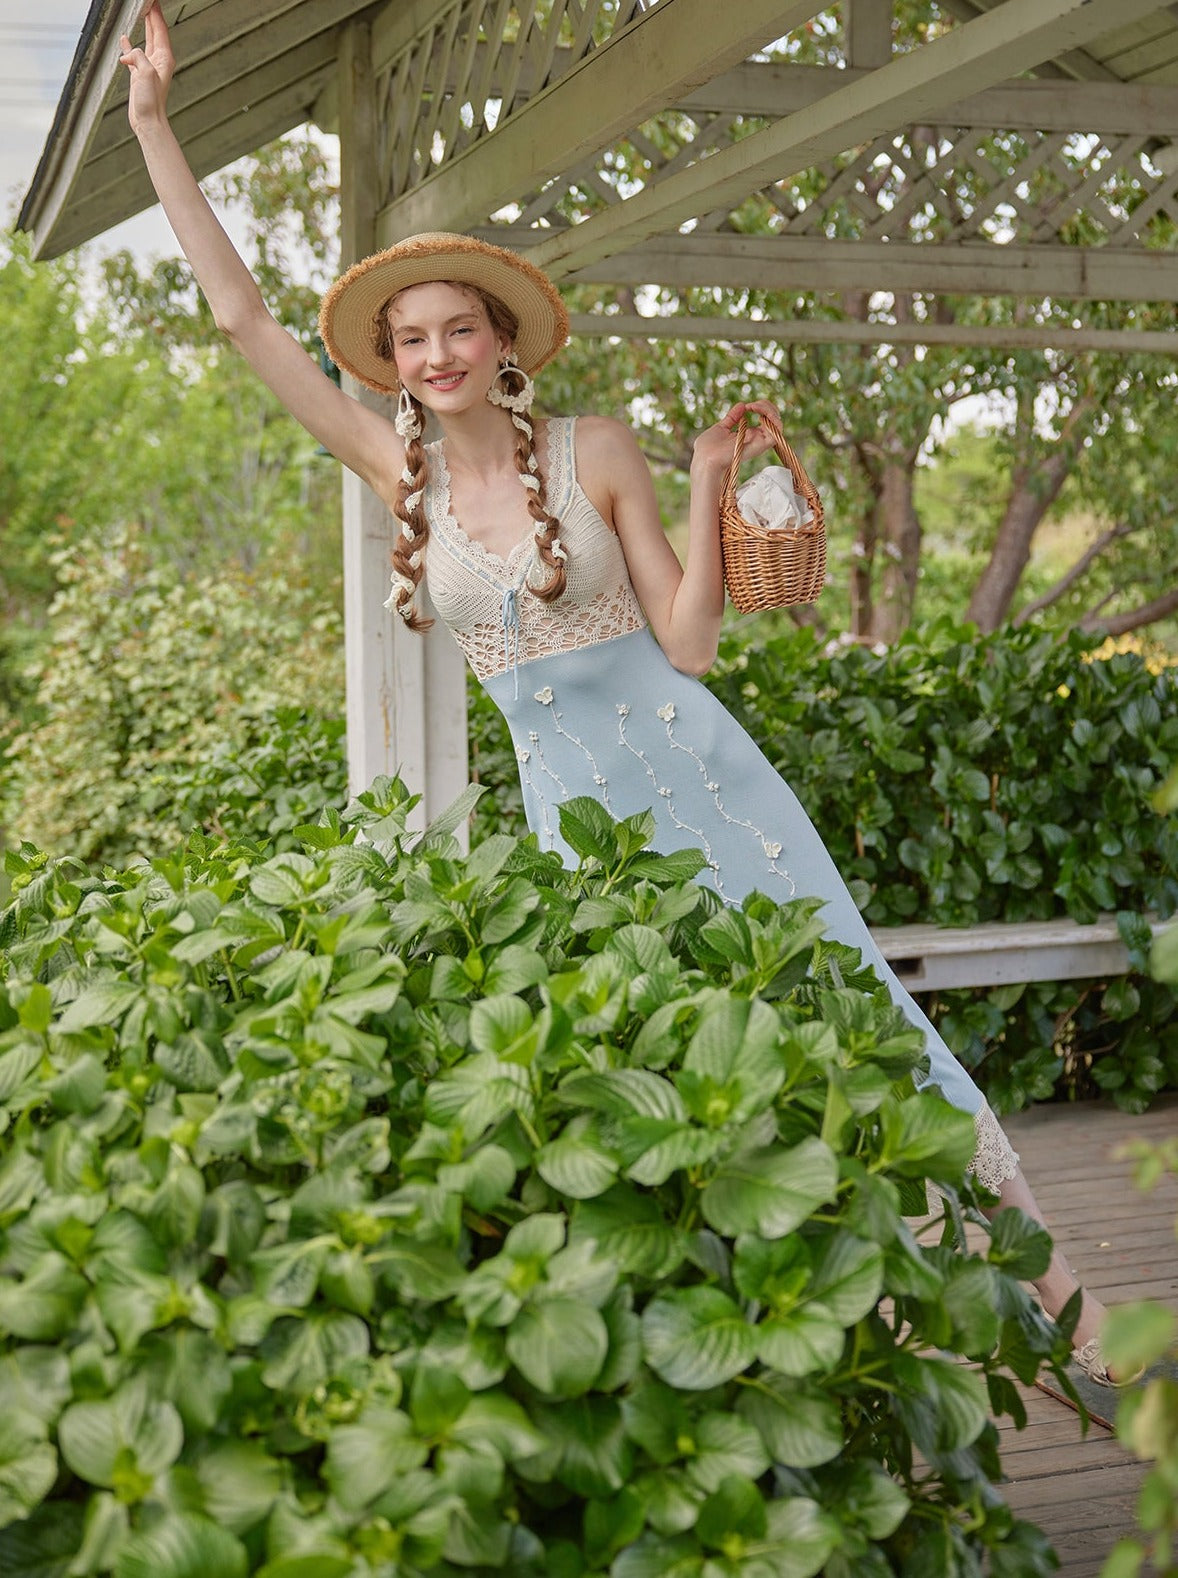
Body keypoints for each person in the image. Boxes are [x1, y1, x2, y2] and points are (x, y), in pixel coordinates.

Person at [121, 2, 1120, 1385]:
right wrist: (156, 128)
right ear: (390, 360)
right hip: (581, 825)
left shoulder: (598, 444)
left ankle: (1065, 1300)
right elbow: (237, 315)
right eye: (408, 338)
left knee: (853, 1016)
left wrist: (709, 491)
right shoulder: (389, 467)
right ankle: (824, 1332)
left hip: (703, 769)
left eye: (454, 328)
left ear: (497, 335)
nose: (433, 356)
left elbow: (691, 642)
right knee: (673, 1059)